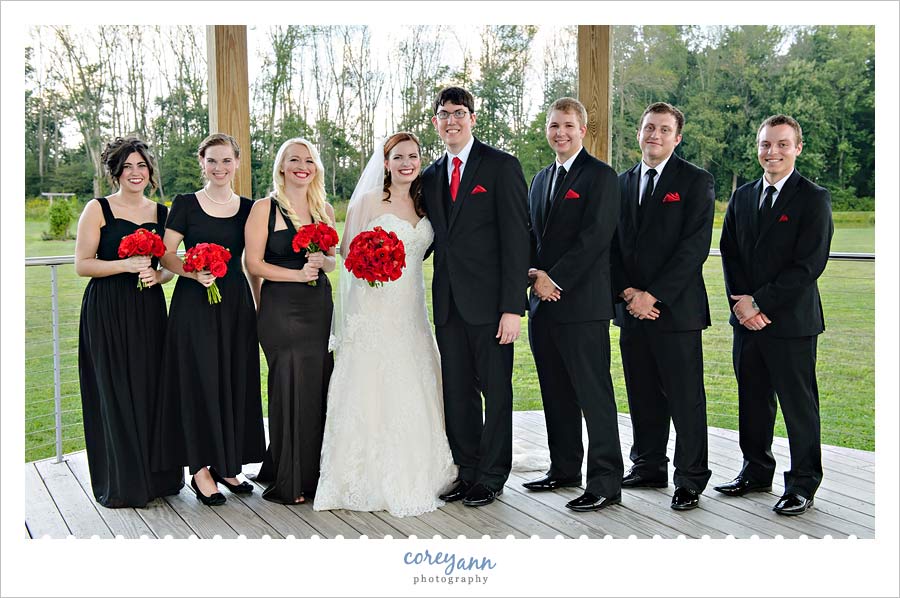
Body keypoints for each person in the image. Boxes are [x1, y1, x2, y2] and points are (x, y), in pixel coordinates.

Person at [314, 132, 457, 517]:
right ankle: (362, 475)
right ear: (387, 162)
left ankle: (424, 469)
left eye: (413, 156)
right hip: (375, 306)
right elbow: (347, 254)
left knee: (416, 379)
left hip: (411, 310)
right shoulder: (367, 201)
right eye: (398, 157)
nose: (407, 163)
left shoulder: (427, 201)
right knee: (371, 382)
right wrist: (370, 265)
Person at [716, 114, 833, 516]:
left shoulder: (813, 198)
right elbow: (729, 249)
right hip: (746, 320)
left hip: (791, 322)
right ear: (758, 147)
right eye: (767, 144)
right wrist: (741, 303)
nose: (773, 152)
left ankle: (803, 483)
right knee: (752, 399)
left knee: (799, 406)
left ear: (798, 148)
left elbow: (809, 263)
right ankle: (755, 470)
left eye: (783, 144)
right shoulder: (744, 195)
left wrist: (760, 303)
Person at [421, 86, 530, 508]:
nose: (452, 120)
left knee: (497, 391)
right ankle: (467, 471)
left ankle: (492, 475)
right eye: (444, 114)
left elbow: (517, 242)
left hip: (491, 306)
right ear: (436, 122)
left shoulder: (500, 166)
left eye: (460, 113)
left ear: (473, 119)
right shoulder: (430, 175)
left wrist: (511, 308)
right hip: (448, 304)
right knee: (458, 392)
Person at [610, 102, 715, 511]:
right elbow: (611, 246)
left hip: (675, 310)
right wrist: (627, 293)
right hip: (631, 308)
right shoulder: (620, 183)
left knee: (685, 397)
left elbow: (693, 248)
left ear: (677, 137)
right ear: (639, 133)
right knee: (642, 392)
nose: (654, 135)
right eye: (648, 128)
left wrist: (652, 295)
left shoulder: (695, 181)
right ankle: (649, 464)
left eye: (664, 129)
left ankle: (690, 478)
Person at [521, 98, 624, 512]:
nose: (560, 132)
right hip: (542, 306)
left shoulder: (601, 177)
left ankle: (605, 482)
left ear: (583, 129)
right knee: (556, 391)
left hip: (582, 306)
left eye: (567, 125)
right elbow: (532, 235)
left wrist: (554, 278)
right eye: (553, 125)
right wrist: (532, 275)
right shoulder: (541, 179)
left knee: (593, 394)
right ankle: (564, 468)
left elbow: (596, 237)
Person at [153, 133, 266, 506]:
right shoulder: (185, 204)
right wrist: (190, 271)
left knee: (232, 379)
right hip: (193, 303)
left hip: (234, 303)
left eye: (226, 161)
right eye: (212, 161)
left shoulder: (249, 208)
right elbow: (166, 254)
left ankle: (226, 465)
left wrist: (259, 303)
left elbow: (252, 263)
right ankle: (199, 469)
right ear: (201, 163)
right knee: (198, 380)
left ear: (237, 163)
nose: (219, 168)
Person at [74, 136, 184, 508]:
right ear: (116, 172)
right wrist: (124, 265)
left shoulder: (162, 213)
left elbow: (168, 266)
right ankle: (124, 481)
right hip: (107, 310)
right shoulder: (98, 208)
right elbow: (82, 265)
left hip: (148, 308)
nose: (135, 173)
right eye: (127, 167)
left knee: (153, 387)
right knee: (116, 389)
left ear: (149, 171)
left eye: (141, 165)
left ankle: (158, 478)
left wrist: (160, 277)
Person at [245, 138, 336, 504]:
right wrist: (298, 275)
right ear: (281, 167)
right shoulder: (263, 209)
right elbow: (253, 264)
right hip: (281, 306)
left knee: (315, 386)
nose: (302, 166)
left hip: (318, 307)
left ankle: (312, 474)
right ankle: (290, 479)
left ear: (316, 168)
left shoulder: (323, 208)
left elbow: (331, 259)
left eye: (309, 160)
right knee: (289, 383)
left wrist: (321, 264)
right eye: (294, 160)